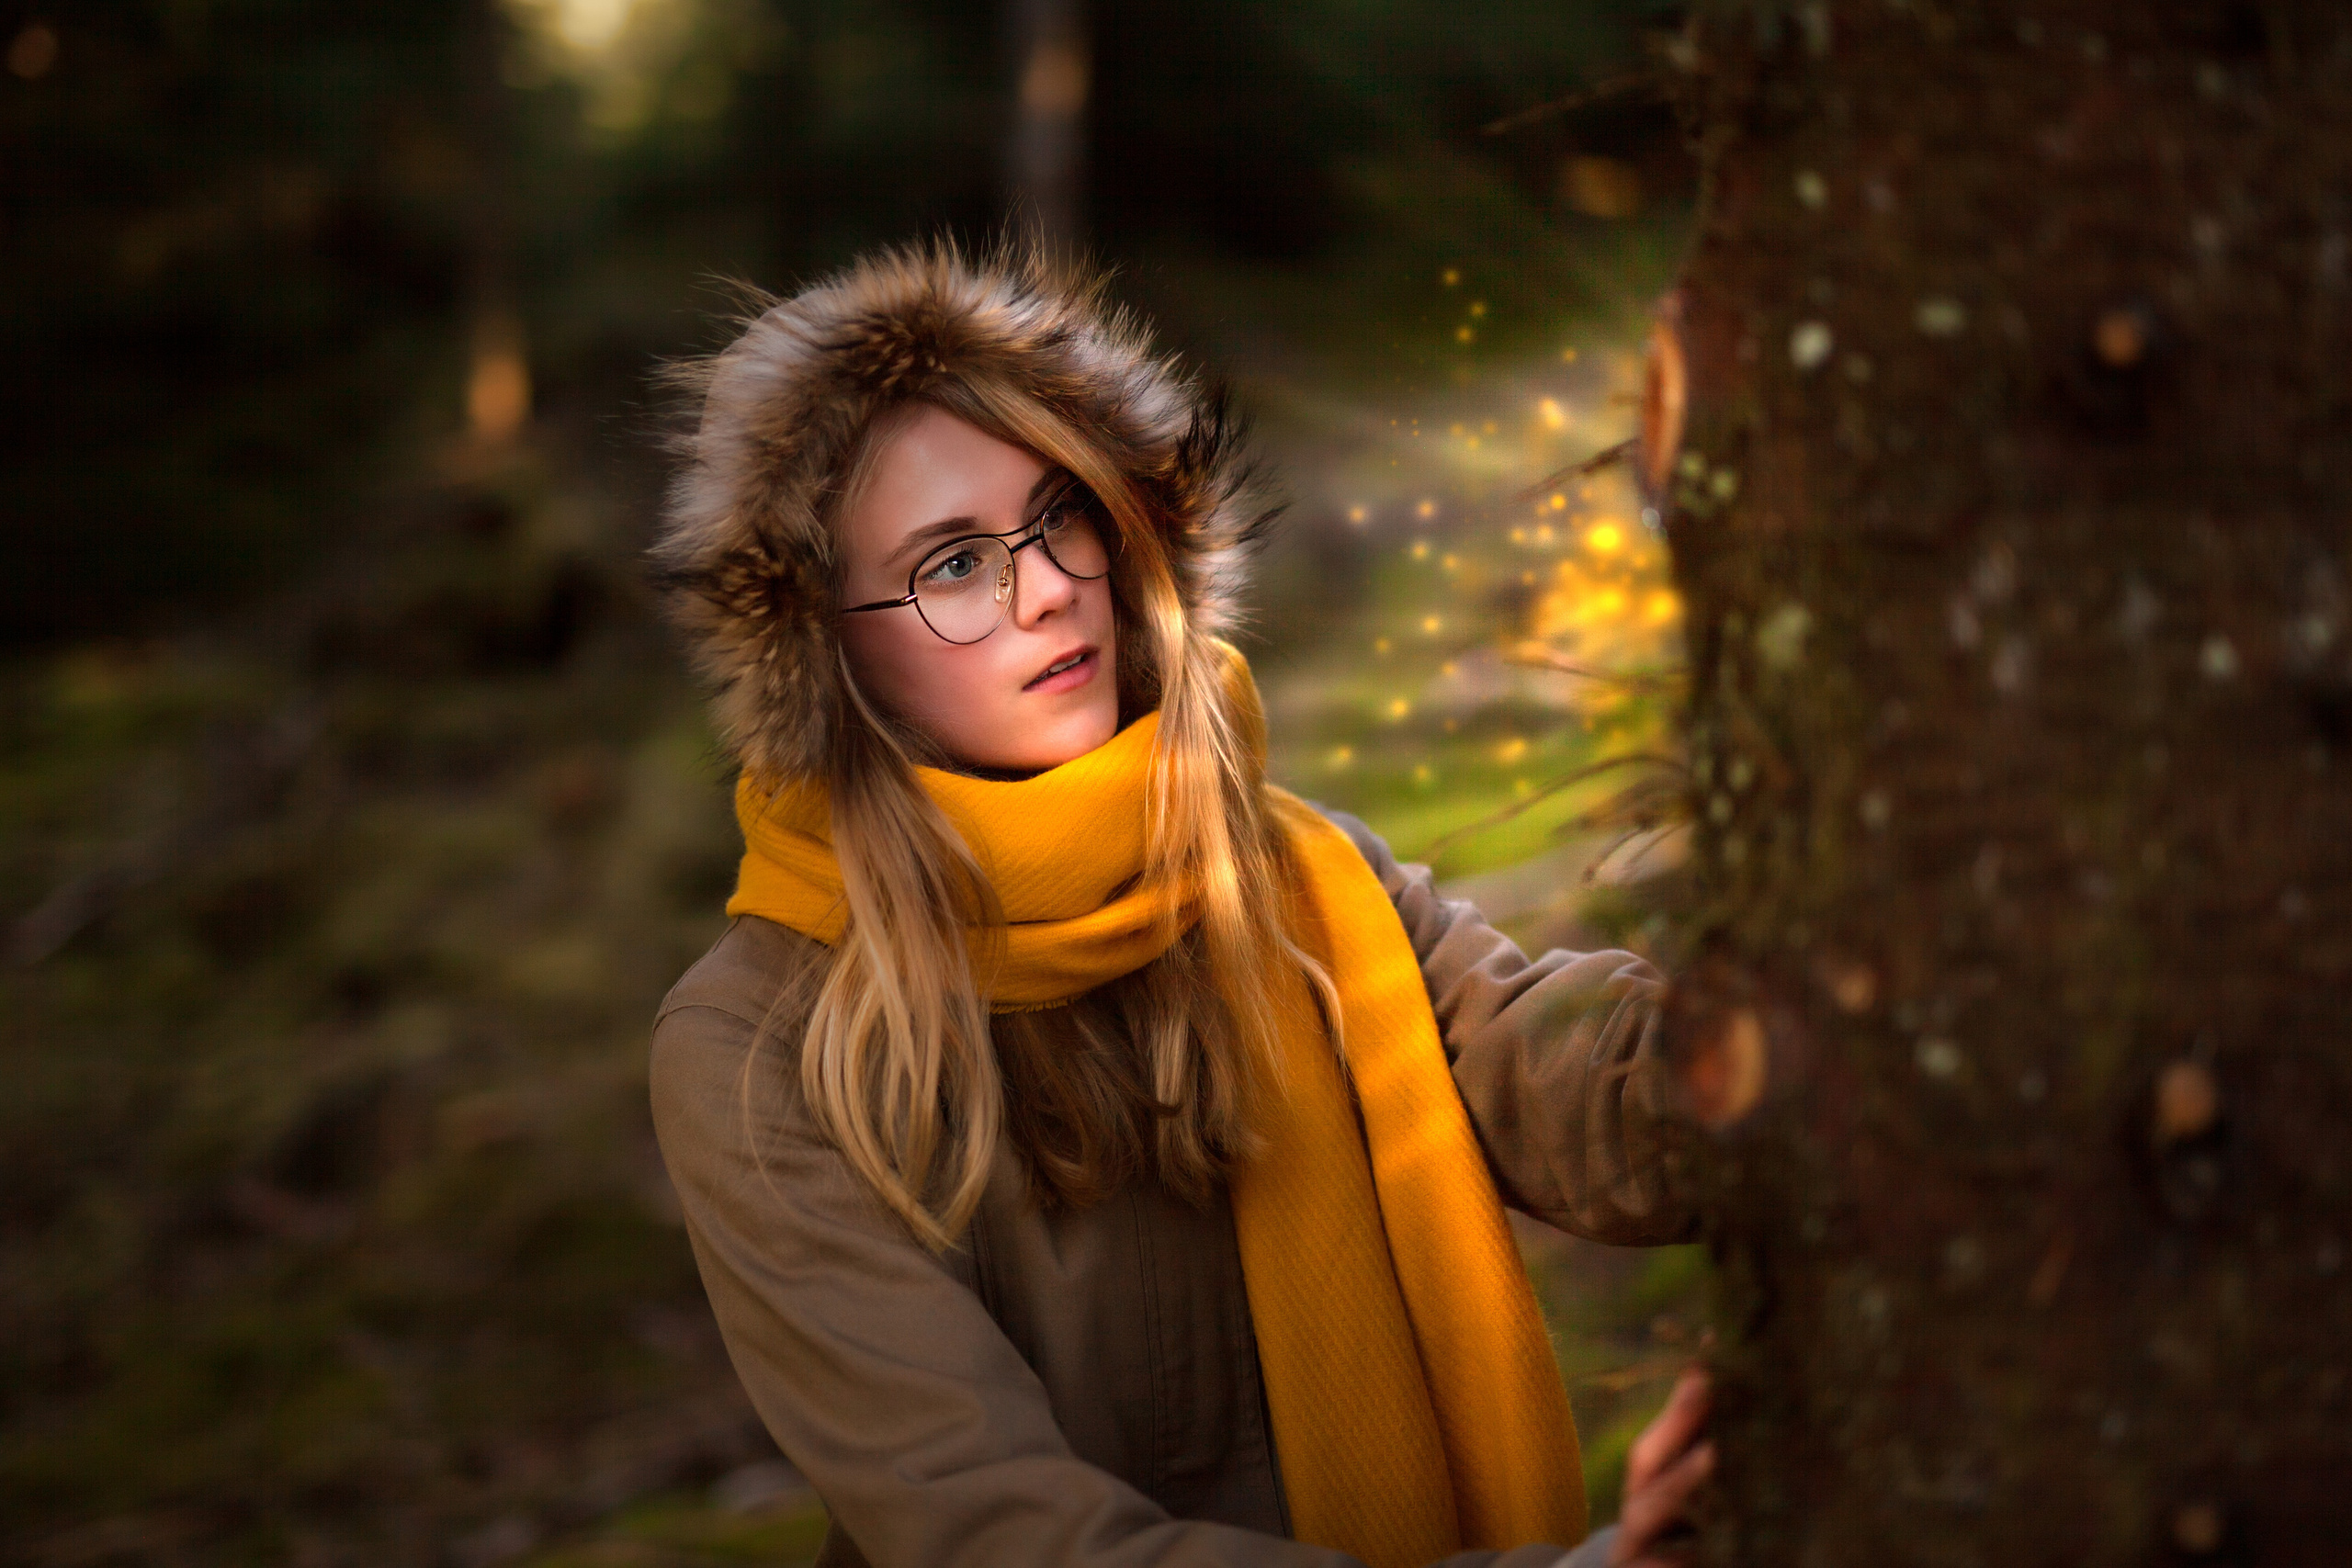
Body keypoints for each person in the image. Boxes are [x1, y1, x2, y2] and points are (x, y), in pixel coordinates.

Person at [646, 242, 1709, 1568]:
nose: (1047, 586)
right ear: (832, 650)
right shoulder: (753, 1048)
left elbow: (1597, 1107)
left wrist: (1818, 988)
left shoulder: (1295, 873)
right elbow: (998, 1535)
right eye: (954, 566)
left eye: (1058, 516)